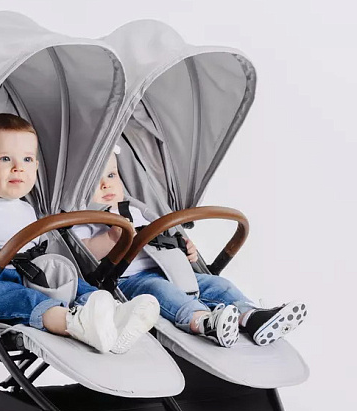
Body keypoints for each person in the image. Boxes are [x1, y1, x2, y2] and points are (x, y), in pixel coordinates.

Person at [0, 114, 160, 353]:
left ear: (36, 167)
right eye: (5, 158)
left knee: (76, 284)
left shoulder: (28, 209)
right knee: (25, 299)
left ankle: (115, 316)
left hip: (33, 273)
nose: (18, 167)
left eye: (27, 159)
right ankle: (74, 323)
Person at [72, 149, 307, 348]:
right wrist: (110, 238)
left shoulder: (135, 210)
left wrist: (184, 250)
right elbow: (85, 253)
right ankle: (204, 321)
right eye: (94, 181)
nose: (106, 184)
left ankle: (252, 316)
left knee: (219, 285)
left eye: (111, 175)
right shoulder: (83, 220)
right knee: (162, 291)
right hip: (129, 280)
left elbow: (161, 236)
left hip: (171, 269)